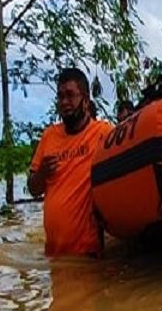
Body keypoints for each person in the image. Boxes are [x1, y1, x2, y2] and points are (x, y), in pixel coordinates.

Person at [27, 67, 114, 257]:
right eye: (60, 96)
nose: (64, 102)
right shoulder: (49, 136)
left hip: (87, 255)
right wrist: (41, 174)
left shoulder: (103, 133)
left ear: (85, 99)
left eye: (70, 95)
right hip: (53, 255)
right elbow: (33, 189)